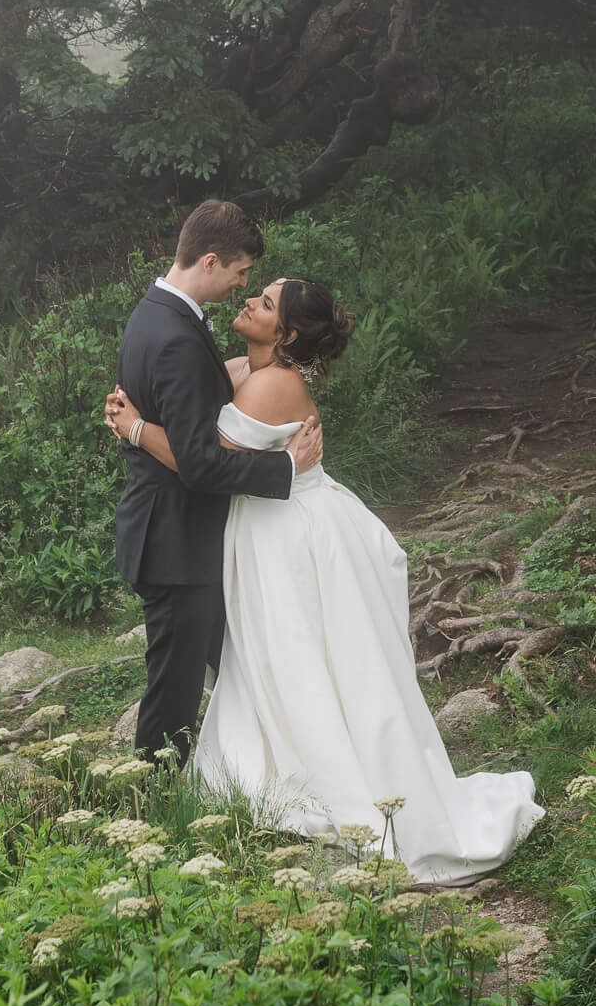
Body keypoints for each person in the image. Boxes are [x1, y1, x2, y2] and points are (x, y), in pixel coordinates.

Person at [105, 274, 543, 885]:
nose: (250, 300)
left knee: (302, 657)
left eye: (264, 303)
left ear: (283, 334)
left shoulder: (273, 386)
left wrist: (134, 428)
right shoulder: (256, 372)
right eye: (256, 292)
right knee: (282, 657)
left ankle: (332, 776)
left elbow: (203, 463)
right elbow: (217, 388)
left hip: (291, 536)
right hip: (270, 528)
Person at [111, 200, 323, 765]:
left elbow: (209, 392)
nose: (242, 286)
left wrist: (136, 428)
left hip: (187, 539)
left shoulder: (159, 313)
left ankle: (265, 771)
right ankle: (152, 805)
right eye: (240, 273)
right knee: (174, 695)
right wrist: (286, 467)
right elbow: (201, 465)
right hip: (176, 544)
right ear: (210, 261)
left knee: (243, 664)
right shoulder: (177, 336)